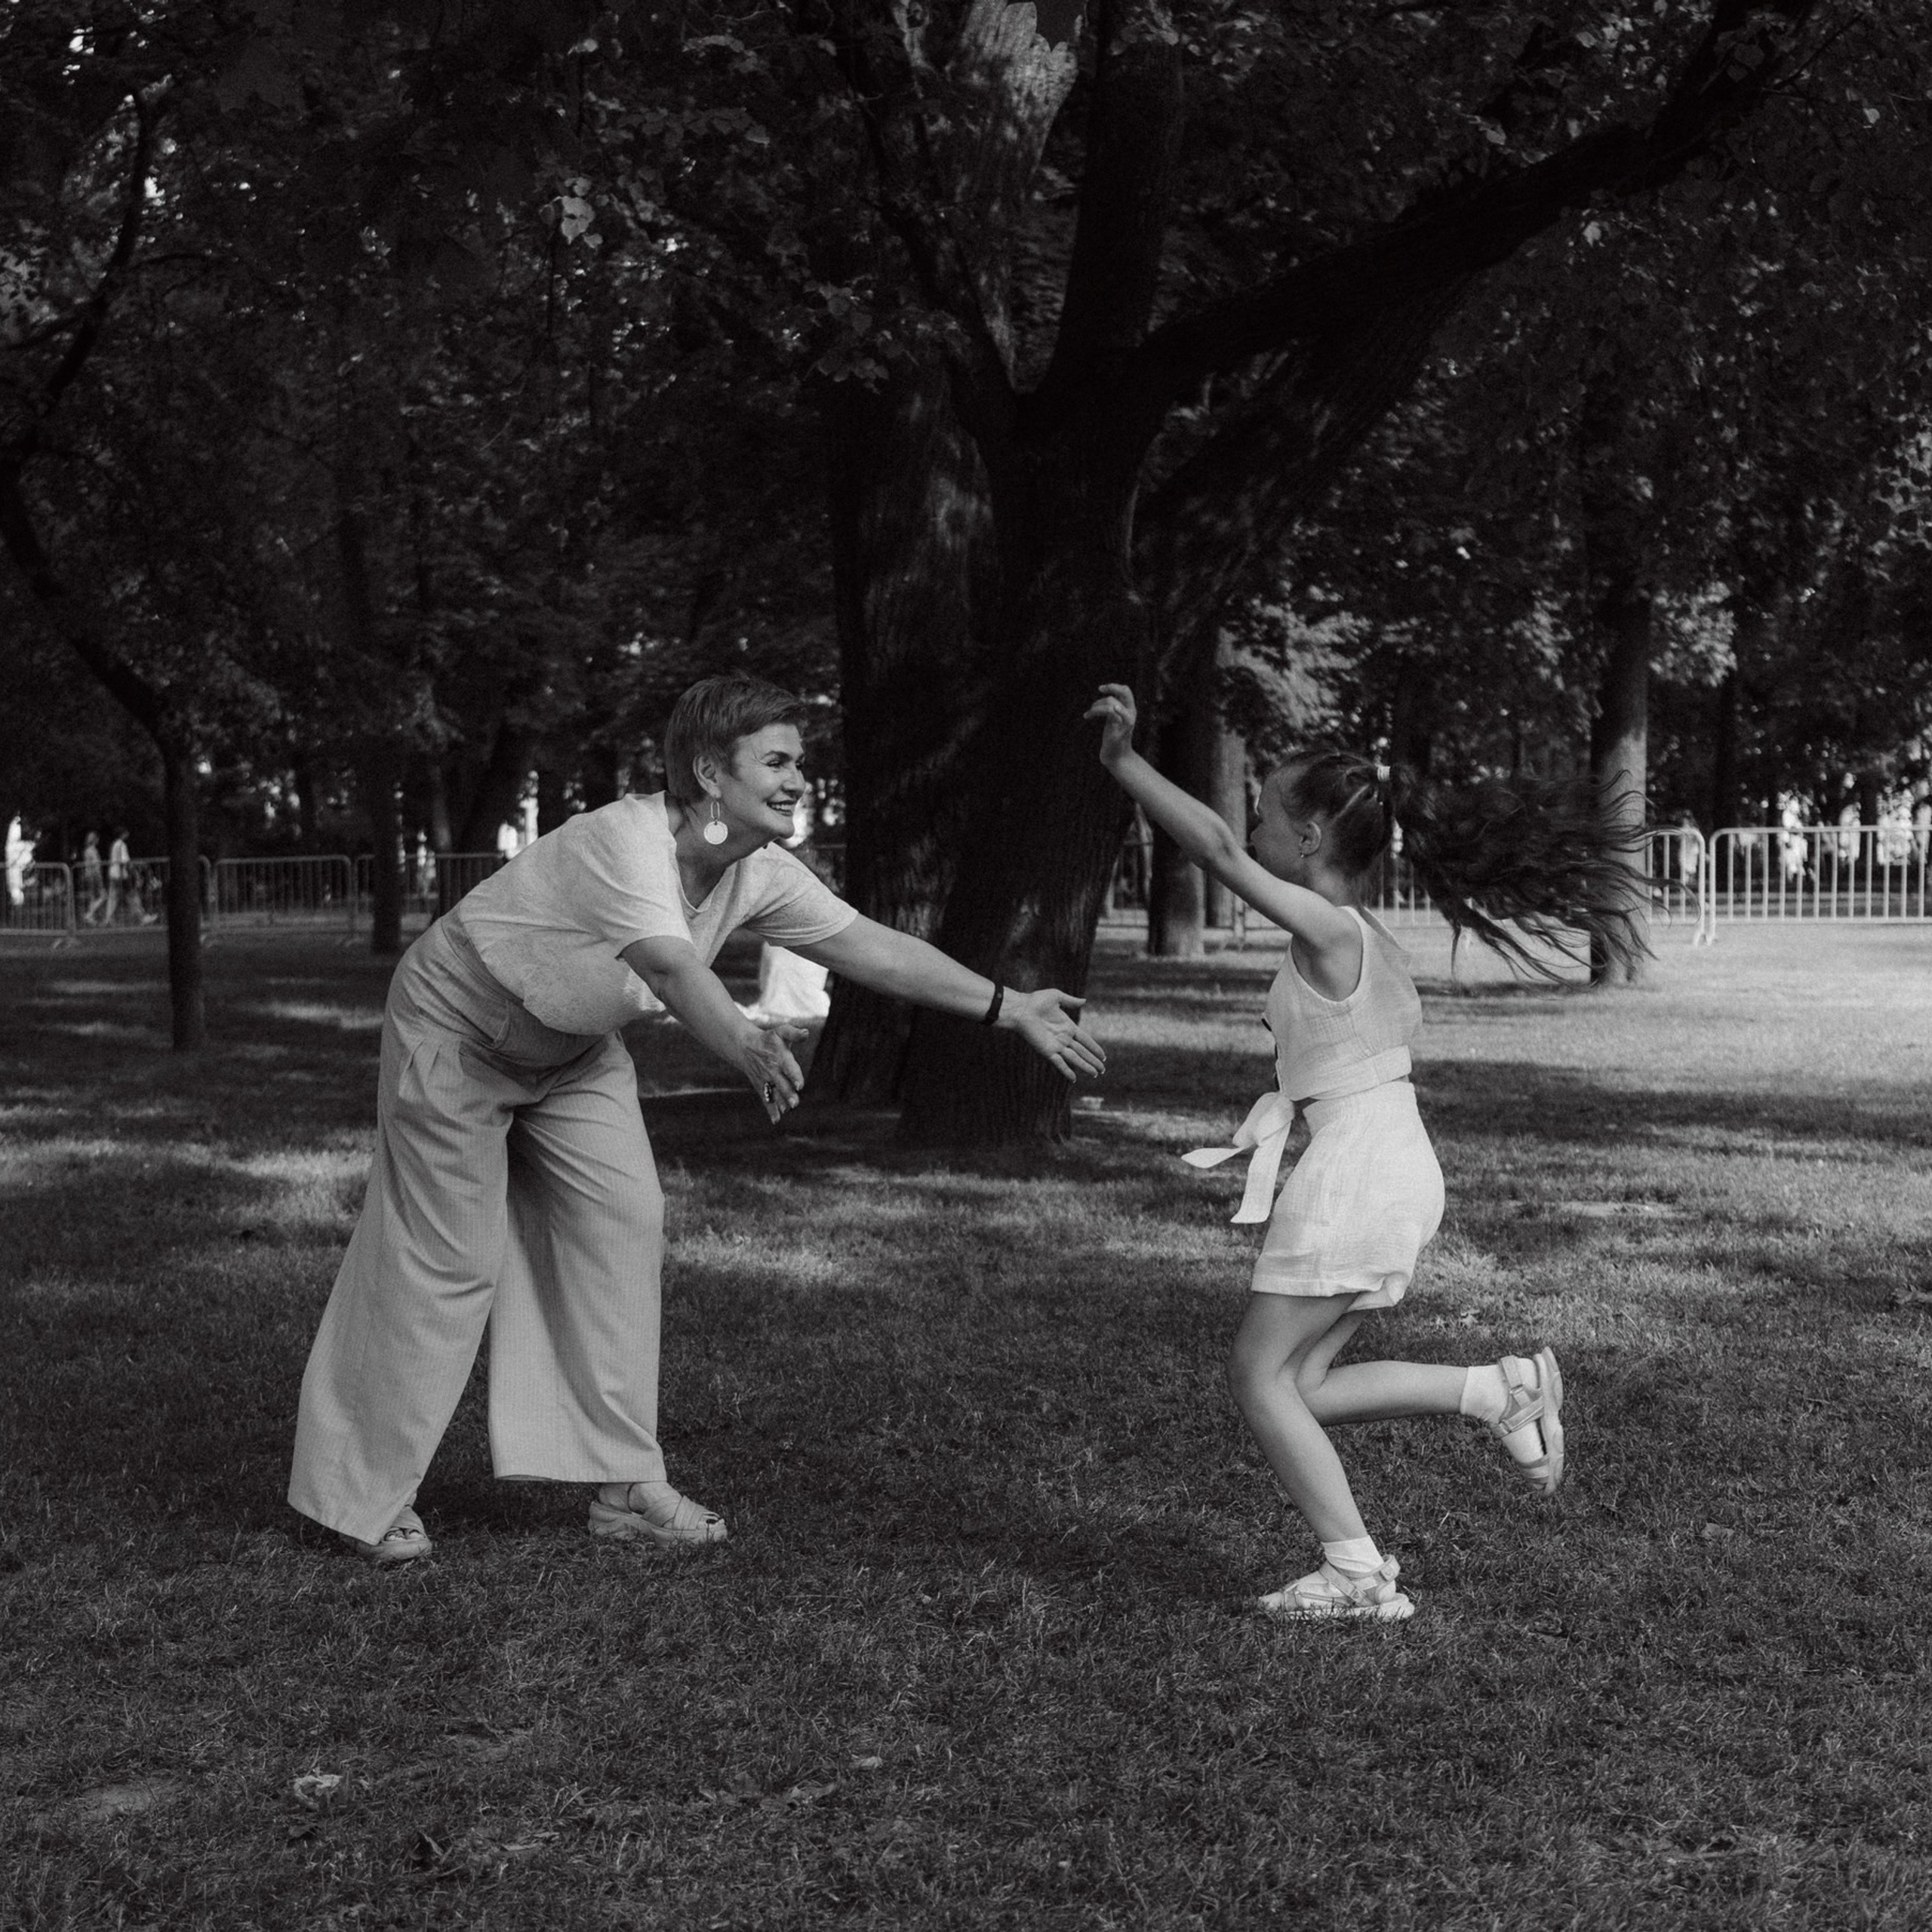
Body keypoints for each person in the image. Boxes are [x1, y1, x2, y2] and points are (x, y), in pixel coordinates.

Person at [290, 674, 1105, 1565]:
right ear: (712, 772)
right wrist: (747, 1046)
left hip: (572, 1050)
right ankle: (357, 1498)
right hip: (456, 1026)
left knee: (623, 1224)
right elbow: (674, 970)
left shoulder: (753, 869)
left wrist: (1009, 1005)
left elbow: (870, 946)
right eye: (779, 761)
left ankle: (624, 1485)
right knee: (444, 1259)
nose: (799, 780)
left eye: (802, 762)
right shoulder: (623, 841)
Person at [1087, 683, 1644, 1623]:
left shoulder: (1332, 927)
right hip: (1390, 1160)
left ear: (1307, 838)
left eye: (1263, 812)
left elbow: (1216, 853)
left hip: (1358, 1167)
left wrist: (1122, 763)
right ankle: (1494, 1389)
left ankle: (1353, 1573)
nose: (1248, 827)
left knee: (1257, 1378)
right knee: (1299, 1385)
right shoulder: (1365, 935)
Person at [79, 833, 107, 925]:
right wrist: (99, 877)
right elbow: (96, 865)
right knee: (103, 897)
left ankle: (91, 918)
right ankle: (89, 914)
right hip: (95, 876)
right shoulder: (93, 851)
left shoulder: (87, 851)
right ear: (95, 840)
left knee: (93, 898)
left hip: (89, 875)